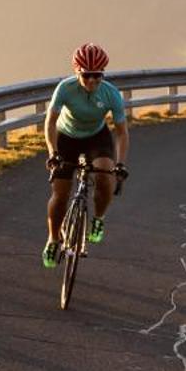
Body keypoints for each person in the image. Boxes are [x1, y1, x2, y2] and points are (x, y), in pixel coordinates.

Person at [43, 42, 130, 267]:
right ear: (77, 72)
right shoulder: (65, 88)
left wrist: (120, 164)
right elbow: (50, 123)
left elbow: (121, 133)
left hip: (96, 136)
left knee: (104, 175)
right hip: (66, 136)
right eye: (86, 75)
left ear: (103, 74)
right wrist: (53, 153)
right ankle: (53, 238)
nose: (92, 80)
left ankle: (98, 218)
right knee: (60, 194)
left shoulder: (111, 94)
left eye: (97, 76)